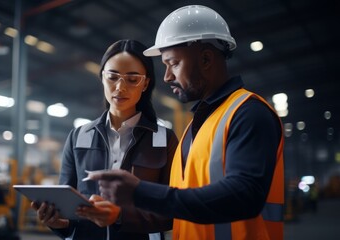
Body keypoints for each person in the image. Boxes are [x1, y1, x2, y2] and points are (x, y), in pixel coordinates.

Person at [86, 5, 285, 240]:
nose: (168, 76)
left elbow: (244, 196)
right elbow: (183, 204)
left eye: (174, 63)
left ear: (206, 58)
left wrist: (140, 192)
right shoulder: (197, 126)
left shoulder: (249, 114)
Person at [31, 39, 178, 240]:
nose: (120, 87)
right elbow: (67, 208)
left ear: (145, 83)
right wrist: (59, 224)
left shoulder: (163, 140)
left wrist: (120, 217)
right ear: (102, 78)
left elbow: (173, 210)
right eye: (112, 77)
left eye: (132, 79)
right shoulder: (78, 137)